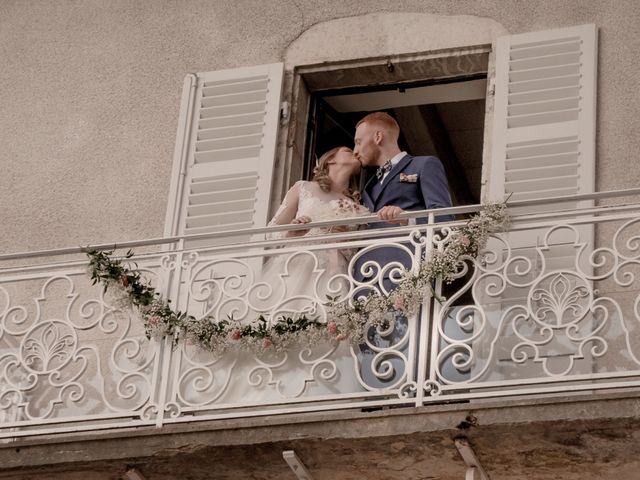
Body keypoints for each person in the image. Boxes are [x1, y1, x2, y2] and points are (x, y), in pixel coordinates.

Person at [353, 111, 454, 291]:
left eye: (358, 142)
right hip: (364, 277)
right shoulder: (369, 185)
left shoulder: (424, 165)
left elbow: (445, 219)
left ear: (377, 137)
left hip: (406, 270)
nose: (355, 151)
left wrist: (407, 218)